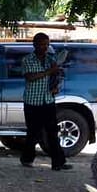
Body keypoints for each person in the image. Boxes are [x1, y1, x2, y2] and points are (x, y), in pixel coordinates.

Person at [21, 32, 71, 171]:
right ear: (35, 45)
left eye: (47, 44)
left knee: (52, 133)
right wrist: (50, 71)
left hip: (48, 100)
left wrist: (56, 87)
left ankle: (58, 163)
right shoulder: (27, 60)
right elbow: (30, 77)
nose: (45, 47)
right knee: (33, 133)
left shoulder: (51, 59)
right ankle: (27, 159)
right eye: (42, 44)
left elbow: (55, 77)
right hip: (32, 102)